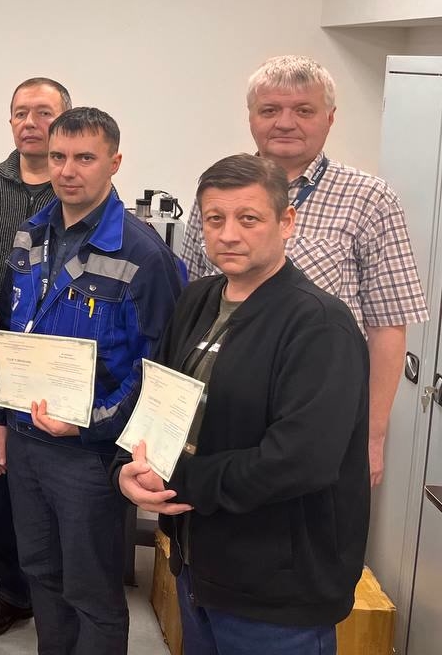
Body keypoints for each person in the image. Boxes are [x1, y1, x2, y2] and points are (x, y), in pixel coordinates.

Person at [117, 154, 369, 653]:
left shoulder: (320, 325)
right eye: (215, 219)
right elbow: (157, 399)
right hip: (200, 568)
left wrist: (179, 480)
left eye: (248, 218)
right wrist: (129, 468)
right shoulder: (198, 299)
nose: (228, 234)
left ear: (286, 221)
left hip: (277, 594)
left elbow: (298, 461)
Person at [0, 107, 185, 655]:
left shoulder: (145, 254)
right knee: (41, 572)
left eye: (85, 158)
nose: (68, 171)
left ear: (114, 162)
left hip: (89, 455)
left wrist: (88, 425)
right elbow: (13, 328)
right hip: (25, 440)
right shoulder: (31, 233)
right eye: (58, 157)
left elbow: (157, 370)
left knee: (91, 591)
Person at [179, 55, 426, 487]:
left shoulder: (370, 199)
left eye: (304, 110)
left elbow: (388, 326)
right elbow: (196, 308)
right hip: (221, 412)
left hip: (316, 415)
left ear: (330, 118)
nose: (285, 123)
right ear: (251, 117)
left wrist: (372, 436)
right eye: (270, 109)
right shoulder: (218, 189)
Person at [0, 76, 70, 639]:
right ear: (10, 122)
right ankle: (11, 590)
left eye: (44, 112)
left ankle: (60, 591)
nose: (31, 122)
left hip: (58, 362)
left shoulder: (75, 186)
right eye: (21, 112)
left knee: (56, 485)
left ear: (64, 121)